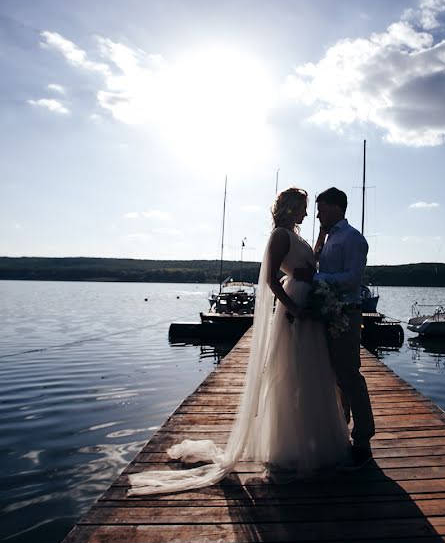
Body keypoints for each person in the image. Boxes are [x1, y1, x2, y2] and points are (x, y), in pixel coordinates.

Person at [127, 188, 350, 495]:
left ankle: (313, 441)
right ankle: (292, 447)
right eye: (303, 208)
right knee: (293, 374)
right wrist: (296, 308)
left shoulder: (295, 236)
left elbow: (308, 262)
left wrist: (322, 237)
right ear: (290, 208)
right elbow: (272, 280)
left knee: (313, 375)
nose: (307, 213)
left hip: (309, 307)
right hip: (297, 311)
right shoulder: (280, 236)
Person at [294, 187, 375, 466]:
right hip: (326, 314)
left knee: (350, 375)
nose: (318, 215)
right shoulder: (328, 238)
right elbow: (318, 266)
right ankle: (341, 427)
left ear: (338, 207)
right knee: (334, 376)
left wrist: (315, 279)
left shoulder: (354, 239)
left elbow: (353, 279)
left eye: (322, 209)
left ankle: (363, 440)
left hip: (346, 315)